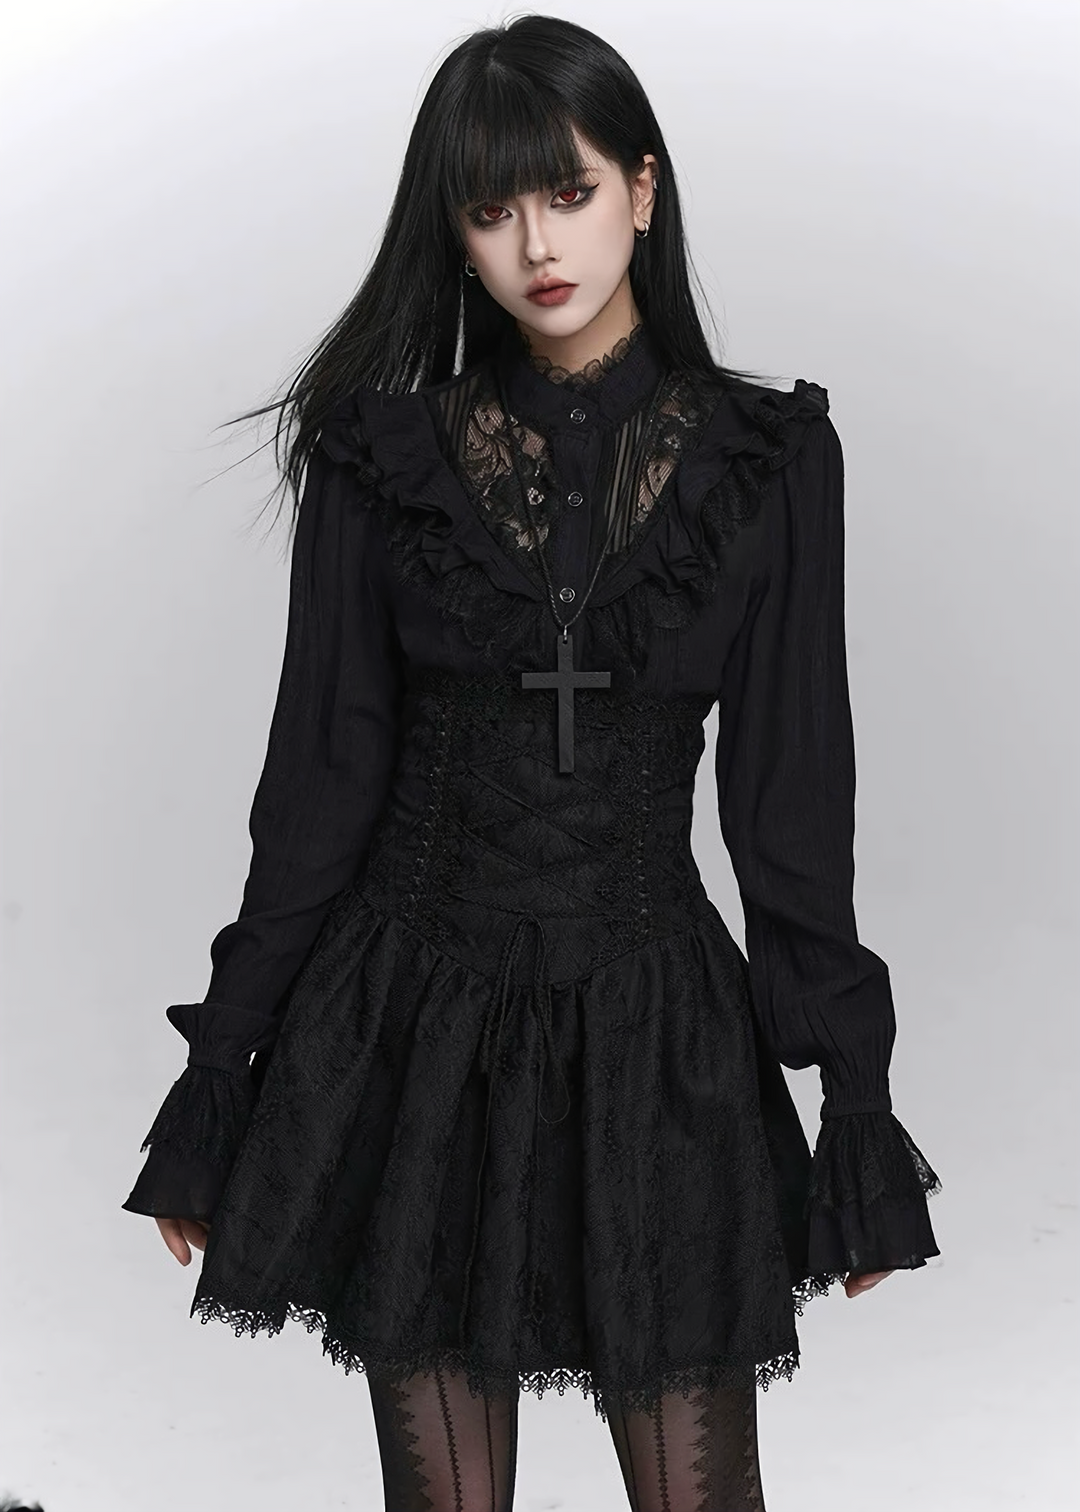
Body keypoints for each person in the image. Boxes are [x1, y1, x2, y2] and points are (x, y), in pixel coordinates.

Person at [120, 13, 941, 1510]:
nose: (536, 245)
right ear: (454, 231)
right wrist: (222, 1066)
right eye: (491, 208)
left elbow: (789, 807)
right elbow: (317, 785)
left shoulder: (765, 464)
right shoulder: (382, 460)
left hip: (654, 1030)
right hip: (414, 1029)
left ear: (643, 187)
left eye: (568, 192)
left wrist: (855, 1098)